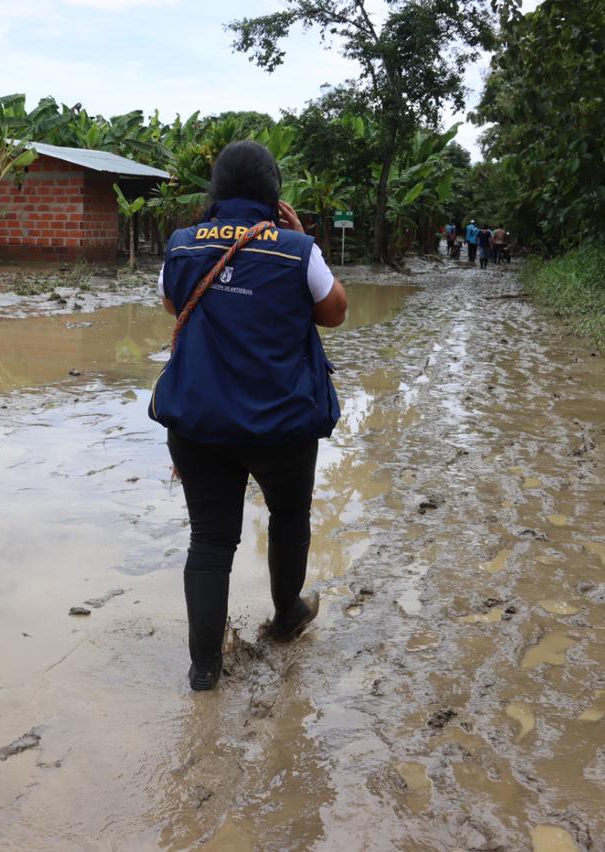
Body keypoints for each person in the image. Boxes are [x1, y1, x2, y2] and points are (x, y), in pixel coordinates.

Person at [150, 140, 348, 692]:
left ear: (217, 191)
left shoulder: (183, 245)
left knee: (210, 540)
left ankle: (204, 668)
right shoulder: (297, 247)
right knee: (289, 516)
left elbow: (172, 303)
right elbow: (334, 312)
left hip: (199, 423)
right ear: (273, 194)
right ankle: (288, 616)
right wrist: (301, 238)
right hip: (282, 425)